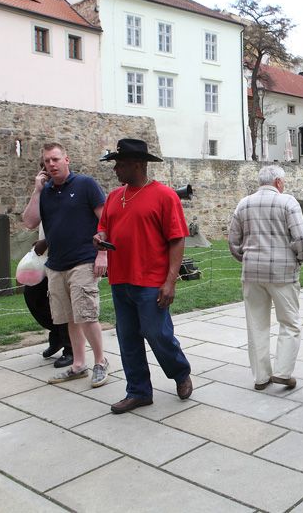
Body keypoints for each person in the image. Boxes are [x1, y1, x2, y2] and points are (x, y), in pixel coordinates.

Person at [93, 139, 193, 413]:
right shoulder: (114, 197)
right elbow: (104, 228)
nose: (116, 169)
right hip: (120, 279)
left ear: (138, 164)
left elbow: (177, 240)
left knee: (157, 333)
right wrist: (100, 238)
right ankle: (138, 391)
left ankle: (180, 372)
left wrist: (170, 281)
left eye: (120, 164)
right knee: (127, 338)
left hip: (150, 281)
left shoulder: (164, 196)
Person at [21, 142, 108, 387]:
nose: (52, 164)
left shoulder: (85, 185)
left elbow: (106, 221)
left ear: (66, 159)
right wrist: (37, 191)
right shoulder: (46, 191)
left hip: (83, 260)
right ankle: (79, 364)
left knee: (87, 316)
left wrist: (103, 254)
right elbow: (29, 222)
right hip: (56, 265)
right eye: (47, 161)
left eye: (56, 159)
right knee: (70, 318)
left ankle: (101, 361)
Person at [229, 165, 303, 390]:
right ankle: (283, 372)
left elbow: (233, 241)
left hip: (252, 272)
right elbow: (301, 236)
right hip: (283, 273)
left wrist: (245, 259)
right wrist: (300, 258)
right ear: (278, 183)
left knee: (256, 325)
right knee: (290, 323)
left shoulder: (243, 204)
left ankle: (261, 377)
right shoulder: (288, 202)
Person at [23, 239, 73, 368]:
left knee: (62, 301)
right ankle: (58, 334)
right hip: (44, 258)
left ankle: (70, 349)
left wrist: (47, 240)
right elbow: (30, 223)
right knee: (32, 294)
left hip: (65, 256)